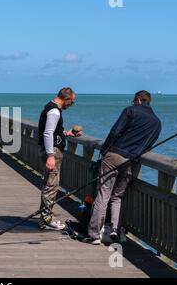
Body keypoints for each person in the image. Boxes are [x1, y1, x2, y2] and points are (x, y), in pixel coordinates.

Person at [82, 90, 162, 245]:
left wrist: (104, 149)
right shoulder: (157, 123)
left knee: (103, 194)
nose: (133, 103)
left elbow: (115, 131)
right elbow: (149, 144)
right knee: (117, 196)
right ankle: (114, 229)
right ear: (149, 102)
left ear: (138, 100)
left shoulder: (130, 111)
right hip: (131, 160)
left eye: (134, 100)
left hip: (114, 155)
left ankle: (94, 234)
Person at [38, 87, 82, 231]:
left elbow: (54, 131)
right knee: (51, 186)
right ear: (67, 99)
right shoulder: (55, 111)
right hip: (52, 152)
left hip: (50, 150)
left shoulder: (50, 107)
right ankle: (46, 219)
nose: (72, 105)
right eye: (72, 102)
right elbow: (48, 133)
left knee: (49, 185)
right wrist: (50, 155)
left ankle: (45, 217)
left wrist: (66, 133)